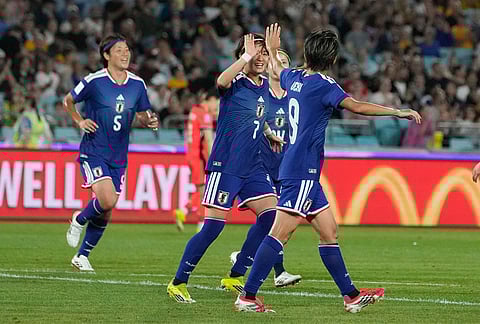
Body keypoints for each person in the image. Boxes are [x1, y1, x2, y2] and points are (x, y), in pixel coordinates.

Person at [234, 24, 422, 313]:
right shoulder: (325, 85)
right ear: (332, 58)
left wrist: (273, 50)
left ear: (308, 52)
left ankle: (351, 296)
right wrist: (396, 111)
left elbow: (277, 71)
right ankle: (247, 296)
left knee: (329, 231)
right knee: (279, 234)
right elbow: (356, 106)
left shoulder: (293, 77)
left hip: (300, 170)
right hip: (303, 170)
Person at [167, 32, 284, 303]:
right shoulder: (235, 82)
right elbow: (220, 80)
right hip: (226, 165)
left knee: (270, 215)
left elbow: (258, 114)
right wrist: (246, 55)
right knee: (213, 227)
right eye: (256, 51)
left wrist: (268, 132)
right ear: (244, 54)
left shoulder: (265, 86)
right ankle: (178, 282)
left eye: (264, 53)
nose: (260, 57)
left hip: (252, 167)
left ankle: (235, 274)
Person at [64, 34, 158, 272]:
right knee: (107, 199)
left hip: (119, 156)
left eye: (127, 49)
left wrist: (149, 121)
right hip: (94, 150)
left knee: (106, 210)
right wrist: (79, 121)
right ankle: (79, 219)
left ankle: (82, 256)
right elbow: (68, 100)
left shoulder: (137, 84)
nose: (125, 54)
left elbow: (141, 114)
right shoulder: (94, 81)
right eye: (119, 50)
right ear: (106, 55)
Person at [229, 48, 302, 288]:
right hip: (260, 165)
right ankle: (277, 271)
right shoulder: (260, 95)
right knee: (274, 220)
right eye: (276, 61)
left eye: (284, 62)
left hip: (286, 168)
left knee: (279, 223)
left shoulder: (295, 98)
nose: (279, 65)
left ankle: (242, 260)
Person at [175, 87, 218, 232]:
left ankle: (184, 210)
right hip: (199, 157)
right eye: (216, 104)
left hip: (191, 154)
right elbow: (208, 138)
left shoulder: (195, 110)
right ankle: (201, 223)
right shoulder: (205, 115)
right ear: (211, 100)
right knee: (203, 191)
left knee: (201, 188)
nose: (216, 108)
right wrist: (214, 159)